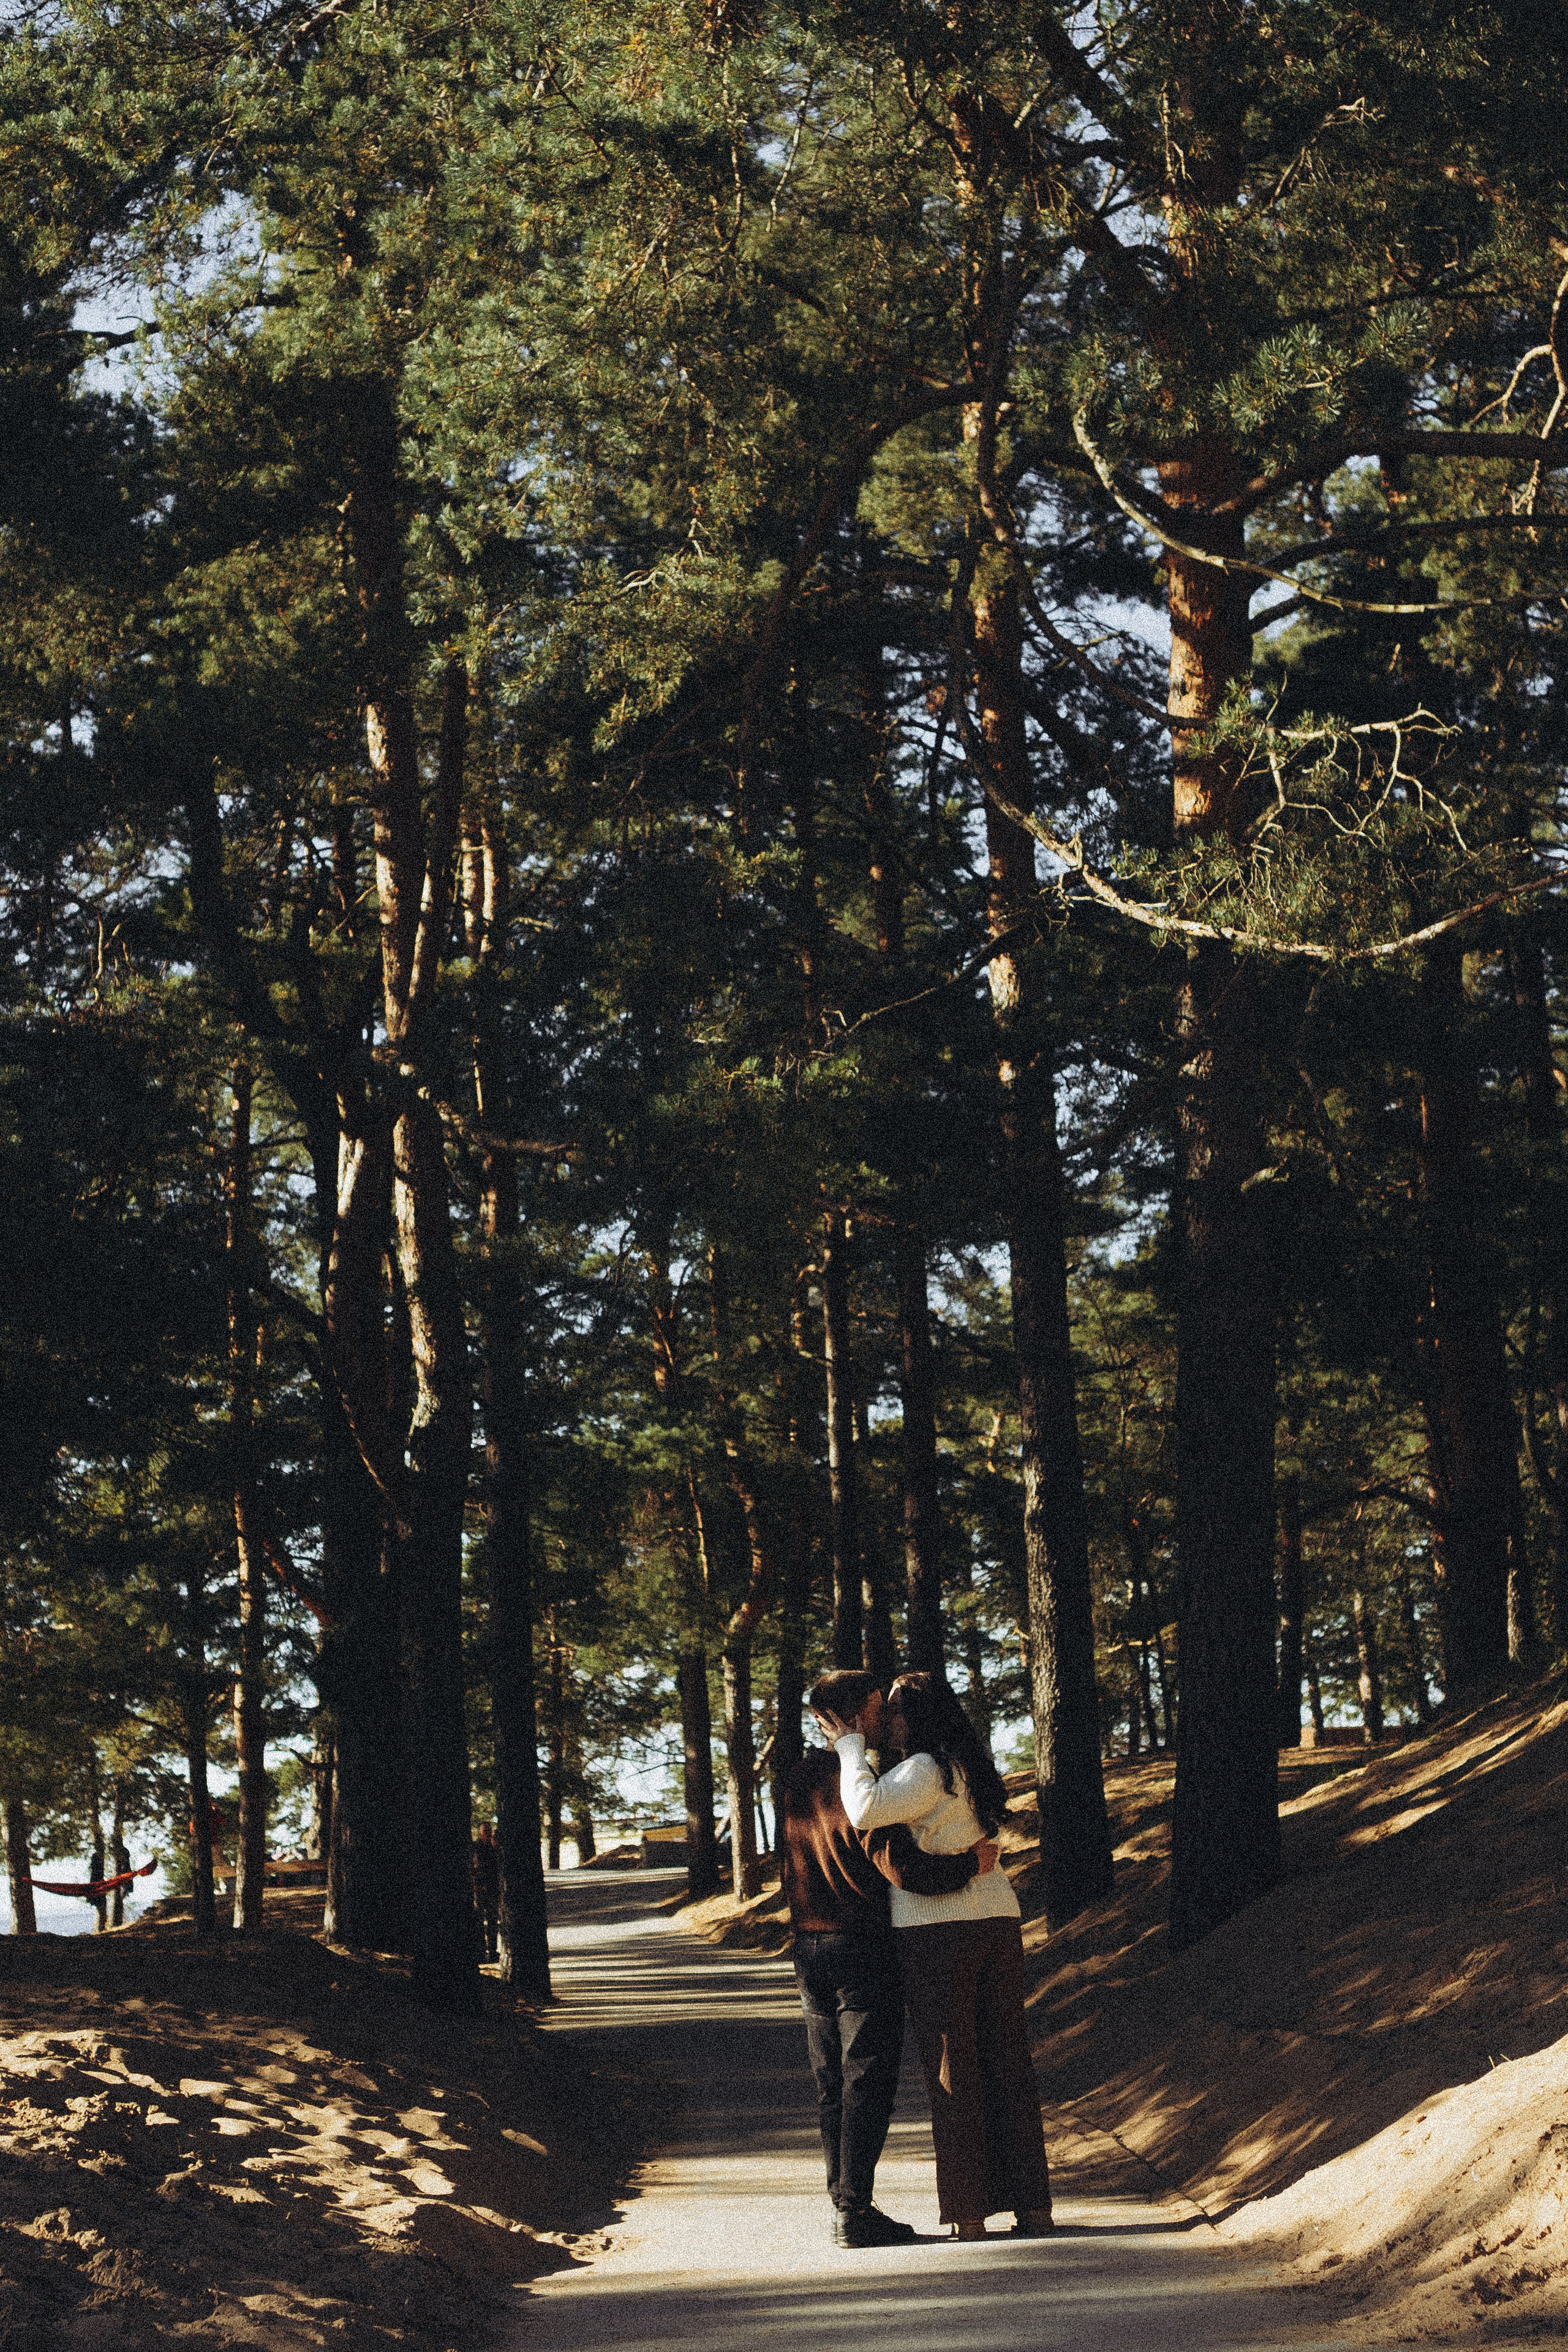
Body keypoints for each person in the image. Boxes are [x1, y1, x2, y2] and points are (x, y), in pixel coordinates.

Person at [816, 1670, 1053, 2241]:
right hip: (998, 1920)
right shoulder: (967, 1766)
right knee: (1008, 2064)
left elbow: (864, 1810)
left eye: (896, 1710)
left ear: (918, 1716)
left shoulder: (924, 1769)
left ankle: (970, 2214)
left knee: (953, 2069)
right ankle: (1033, 2208)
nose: (888, 1720)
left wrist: (849, 1746)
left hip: (938, 1930)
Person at [780, 1669, 1000, 2249]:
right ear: (855, 1716)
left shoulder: (798, 1777)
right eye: (880, 1707)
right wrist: (969, 1865)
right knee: (866, 2078)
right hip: (863, 1944)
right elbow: (900, 1866)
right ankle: (854, 2211)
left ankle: (844, 2204)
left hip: (809, 1944)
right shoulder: (863, 1782)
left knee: (831, 2081)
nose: (888, 1716)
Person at [472, 1822, 500, 1962]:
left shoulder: (495, 1847)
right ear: (479, 1832)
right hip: (478, 1889)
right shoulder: (474, 1847)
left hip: (492, 1889)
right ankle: (481, 1951)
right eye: (484, 1831)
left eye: (489, 1831)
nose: (487, 1833)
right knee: (478, 1921)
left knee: (493, 1921)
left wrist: (496, 1849)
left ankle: (493, 1950)